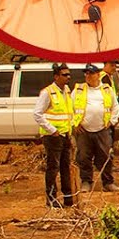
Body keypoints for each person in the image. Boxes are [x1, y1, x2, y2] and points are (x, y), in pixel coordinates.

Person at [72, 63, 119, 194]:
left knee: (106, 156)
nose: (88, 76)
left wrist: (112, 121)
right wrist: (74, 123)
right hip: (84, 131)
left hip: (102, 129)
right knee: (83, 157)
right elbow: (69, 107)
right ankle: (86, 182)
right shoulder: (78, 90)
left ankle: (108, 182)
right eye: (86, 73)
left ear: (98, 75)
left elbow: (115, 107)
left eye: (91, 73)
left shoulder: (107, 90)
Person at [33, 63, 75, 207]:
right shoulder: (47, 92)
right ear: (56, 76)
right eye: (64, 75)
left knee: (65, 167)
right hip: (53, 137)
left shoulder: (67, 91)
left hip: (65, 135)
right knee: (53, 167)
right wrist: (52, 130)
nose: (68, 77)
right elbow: (37, 114)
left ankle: (68, 197)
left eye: (69, 74)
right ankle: (51, 199)